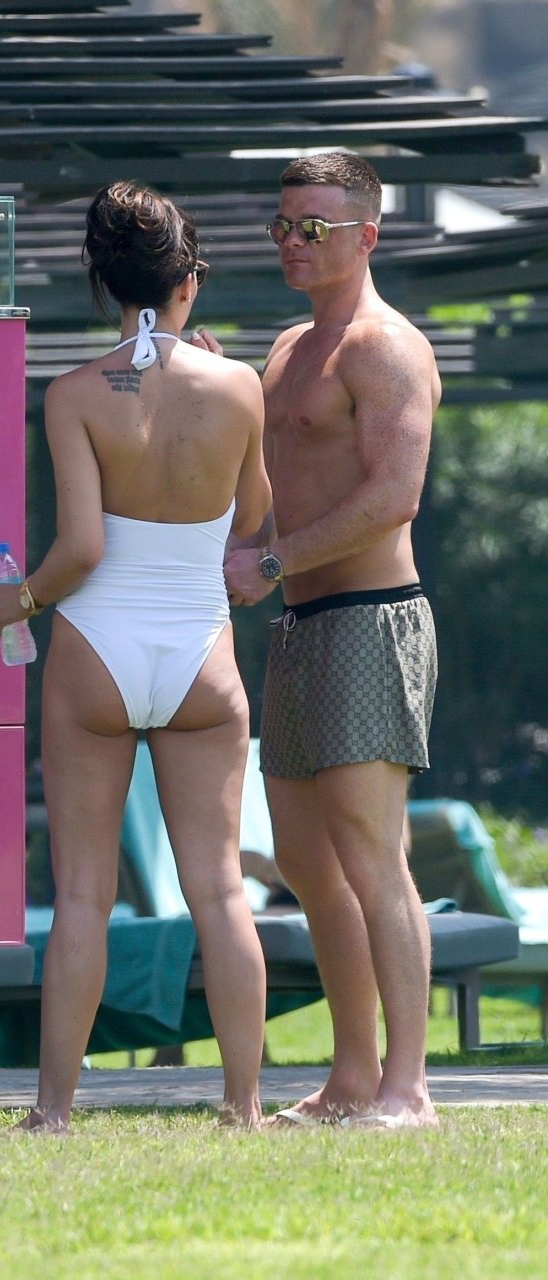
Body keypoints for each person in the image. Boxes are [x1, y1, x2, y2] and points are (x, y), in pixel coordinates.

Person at [0, 180, 272, 1131]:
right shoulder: (240, 385)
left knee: (81, 896)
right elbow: (254, 516)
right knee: (219, 890)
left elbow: (81, 552)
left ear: (104, 285)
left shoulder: (73, 395)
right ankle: (242, 1105)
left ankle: (53, 1112)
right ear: (188, 282)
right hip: (200, 653)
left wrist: (19, 601)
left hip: (96, 651)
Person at [195, 151, 441, 1129]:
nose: (291, 242)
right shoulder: (288, 348)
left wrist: (270, 561)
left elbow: (395, 495)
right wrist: (212, 383)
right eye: (282, 225)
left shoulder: (386, 349)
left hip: (368, 619)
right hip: (298, 620)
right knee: (305, 862)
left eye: (314, 227)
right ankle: (350, 1077)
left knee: (372, 856)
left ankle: (407, 1089)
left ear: (366, 236)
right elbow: (264, 479)